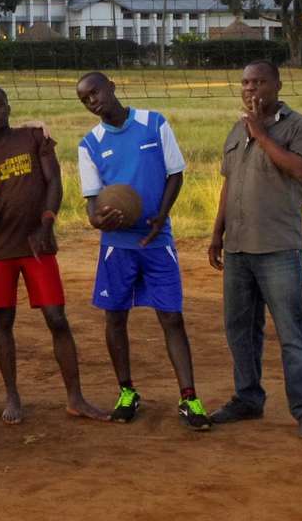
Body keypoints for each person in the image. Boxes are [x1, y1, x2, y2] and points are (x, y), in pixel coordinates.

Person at [75, 71, 210, 431]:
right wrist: (102, 220)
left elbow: (175, 174)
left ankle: (189, 397)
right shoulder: (89, 143)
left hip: (156, 239)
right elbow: (92, 209)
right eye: (85, 99)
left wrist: (160, 216)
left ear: (112, 87)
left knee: (171, 317)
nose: (93, 101)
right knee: (115, 317)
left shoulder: (154, 123)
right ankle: (127, 392)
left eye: (96, 92)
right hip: (117, 246)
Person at [0, 85, 106, 425]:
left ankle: (75, 396)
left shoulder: (32, 137)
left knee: (56, 317)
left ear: (9, 107)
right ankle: (12, 394)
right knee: (3, 320)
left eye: (0, 104)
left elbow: (54, 182)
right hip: (0, 249)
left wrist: (47, 224)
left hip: (37, 244)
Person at [208, 60, 302, 440]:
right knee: (240, 329)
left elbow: (301, 170)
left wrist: (260, 134)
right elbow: (229, 185)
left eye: (259, 82)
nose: (251, 89)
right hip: (239, 248)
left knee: (292, 331)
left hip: (278, 248)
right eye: (245, 82)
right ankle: (247, 398)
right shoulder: (235, 130)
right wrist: (216, 233)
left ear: (277, 84)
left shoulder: (297, 126)